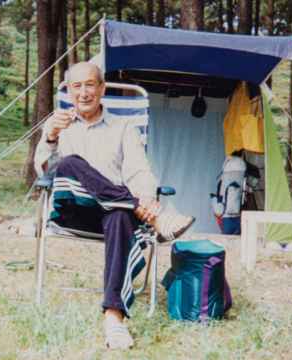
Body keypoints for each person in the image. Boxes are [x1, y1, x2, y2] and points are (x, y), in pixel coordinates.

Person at [34, 62, 195, 350]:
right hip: (74, 209)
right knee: (70, 163)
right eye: (77, 86)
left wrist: (145, 197)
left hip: (112, 213)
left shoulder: (123, 128)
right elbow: (44, 171)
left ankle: (113, 316)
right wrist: (50, 137)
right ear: (69, 92)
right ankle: (155, 219)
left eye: (90, 85)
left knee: (120, 215)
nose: (84, 92)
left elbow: (138, 172)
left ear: (102, 89)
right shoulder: (59, 126)